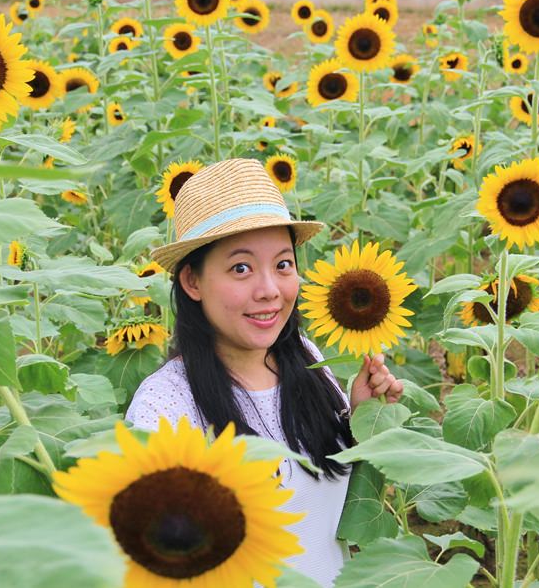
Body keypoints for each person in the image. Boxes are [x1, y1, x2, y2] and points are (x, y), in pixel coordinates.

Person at [126, 157, 403, 587]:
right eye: (241, 268)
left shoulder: (307, 360)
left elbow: (322, 511)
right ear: (192, 282)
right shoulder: (167, 406)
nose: (270, 290)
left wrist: (357, 418)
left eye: (283, 264)